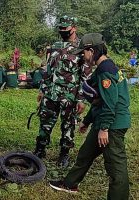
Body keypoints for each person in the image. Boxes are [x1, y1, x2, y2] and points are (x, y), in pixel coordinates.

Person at [49, 33, 131, 200]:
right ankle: (70, 183)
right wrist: (87, 121)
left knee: (116, 168)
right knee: (85, 154)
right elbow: (98, 100)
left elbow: (110, 103)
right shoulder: (102, 68)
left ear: (92, 50)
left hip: (112, 125)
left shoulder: (106, 70)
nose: (82, 57)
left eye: (83, 53)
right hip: (102, 121)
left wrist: (104, 128)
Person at [34, 15, 92, 167]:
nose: (62, 30)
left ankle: (64, 154)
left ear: (74, 28)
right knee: (45, 123)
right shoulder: (56, 46)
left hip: (69, 97)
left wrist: (81, 99)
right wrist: (42, 90)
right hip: (50, 94)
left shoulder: (81, 48)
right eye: (60, 28)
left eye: (65, 28)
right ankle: (40, 150)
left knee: (68, 126)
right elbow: (48, 70)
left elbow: (85, 76)